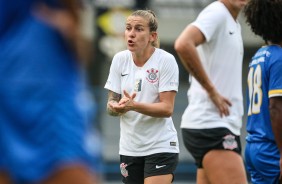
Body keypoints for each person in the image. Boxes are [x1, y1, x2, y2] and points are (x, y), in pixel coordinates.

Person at [0, 0, 101, 184]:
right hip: (8, 87)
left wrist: (73, 26)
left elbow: (82, 43)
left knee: (69, 167)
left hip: (52, 90)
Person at [174, 0, 249, 183]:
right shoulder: (217, 12)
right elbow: (183, 44)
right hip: (211, 125)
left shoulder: (233, 23)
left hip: (217, 125)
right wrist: (211, 90)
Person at [104, 9, 179, 184]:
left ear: (152, 36)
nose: (131, 34)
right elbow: (111, 103)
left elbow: (167, 108)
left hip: (160, 147)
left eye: (138, 29)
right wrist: (115, 108)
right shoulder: (119, 60)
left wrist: (134, 105)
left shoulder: (165, 61)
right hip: (129, 149)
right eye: (128, 28)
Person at [243, 0, 282, 183]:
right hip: (272, 149)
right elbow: (275, 108)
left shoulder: (259, 55)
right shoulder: (279, 58)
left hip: (254, 145)